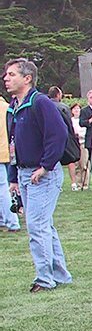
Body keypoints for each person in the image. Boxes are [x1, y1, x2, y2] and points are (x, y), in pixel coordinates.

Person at [4, 58, 72, 292]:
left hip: (42, 175)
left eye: (12, 74)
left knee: (37, 226)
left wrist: (45, 166)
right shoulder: (12, 107)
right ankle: (60, 274)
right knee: (44, 226)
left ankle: (45, 279)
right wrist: (13, 177)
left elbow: (58, 135)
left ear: (27, 78)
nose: (6, 78)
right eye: (6, 74)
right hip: (23, 174)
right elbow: (14, 144)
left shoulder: (40, 102)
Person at [0, 94, 21, 232]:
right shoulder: (7, 107)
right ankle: (4, 219)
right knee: (8, 185)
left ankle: (12, 221)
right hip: (10, 151)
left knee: (3, 189)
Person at [68, 102, 88, 190]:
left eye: (78, 108)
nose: (76, 110)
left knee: (84, 164)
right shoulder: (70, 120)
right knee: (76, 165)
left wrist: (79, 134)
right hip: (74, 144)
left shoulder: (83, 120)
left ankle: (85, 183)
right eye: (74, 109)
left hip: (83, 143)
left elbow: (85, 131)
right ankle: (78, 183)